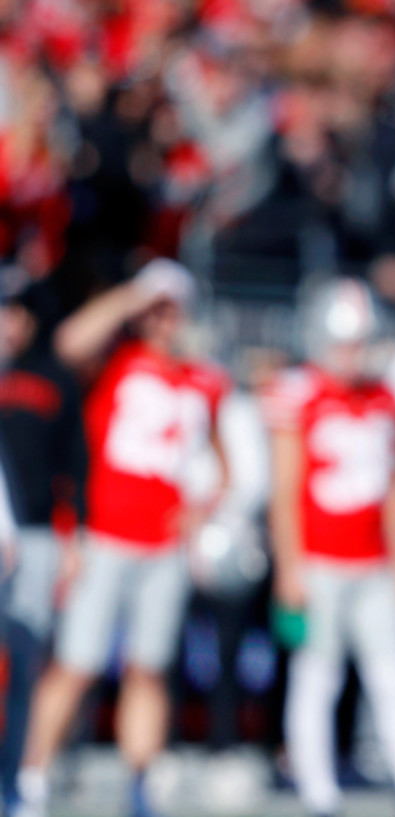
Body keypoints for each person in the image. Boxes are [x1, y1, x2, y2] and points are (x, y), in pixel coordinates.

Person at [14, 259, 229, 817]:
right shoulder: (113, 361)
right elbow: (68, 341)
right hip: (105, 537)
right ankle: (29, 776)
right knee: (77, 662)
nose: (164, 322)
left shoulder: (203, 380)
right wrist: (131, 297)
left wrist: (202, 510)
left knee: (148, 667)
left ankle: (142, 784)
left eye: (171, 310)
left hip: (164, 547)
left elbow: (228, 463)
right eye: (155, 311)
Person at [262, 277, 395, 817]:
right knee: (316, 678)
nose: (352, 354)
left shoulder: (387, 400)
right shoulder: (300, 394)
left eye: (359, 342)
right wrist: (288, 569)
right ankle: (318, 792)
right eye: (343, 342)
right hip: (318, 562)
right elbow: (286, 490)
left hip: (377, 568)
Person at [0, 283, 88, 809]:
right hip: (8, 534)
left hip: (30, 538)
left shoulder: (52, 377)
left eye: (15, 314)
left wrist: (70, 534)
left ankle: (18, 774)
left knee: (26, 659)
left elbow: (73, 464)